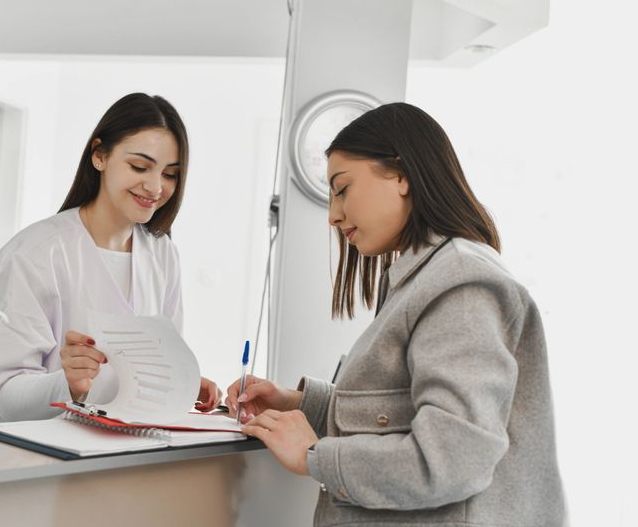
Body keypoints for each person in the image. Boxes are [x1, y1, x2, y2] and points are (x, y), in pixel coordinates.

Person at [226, 103, 565, 526]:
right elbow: (401, 412)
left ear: (401, 175)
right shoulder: (424, 277)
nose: (333, 215)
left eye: (342, 188)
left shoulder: (460, 285)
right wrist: (301, 404)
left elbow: (451, 459)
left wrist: (315, 456)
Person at [0, 93, 221, 421]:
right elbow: (6, 398)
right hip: (46, 458)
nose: (155, 187)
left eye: (170, 174)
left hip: (128, 456)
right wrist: (68, 384)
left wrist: (183, 384)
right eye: (140, 166)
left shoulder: (162, 253)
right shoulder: (36, 252)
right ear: (99, 156)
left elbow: (150, 371)